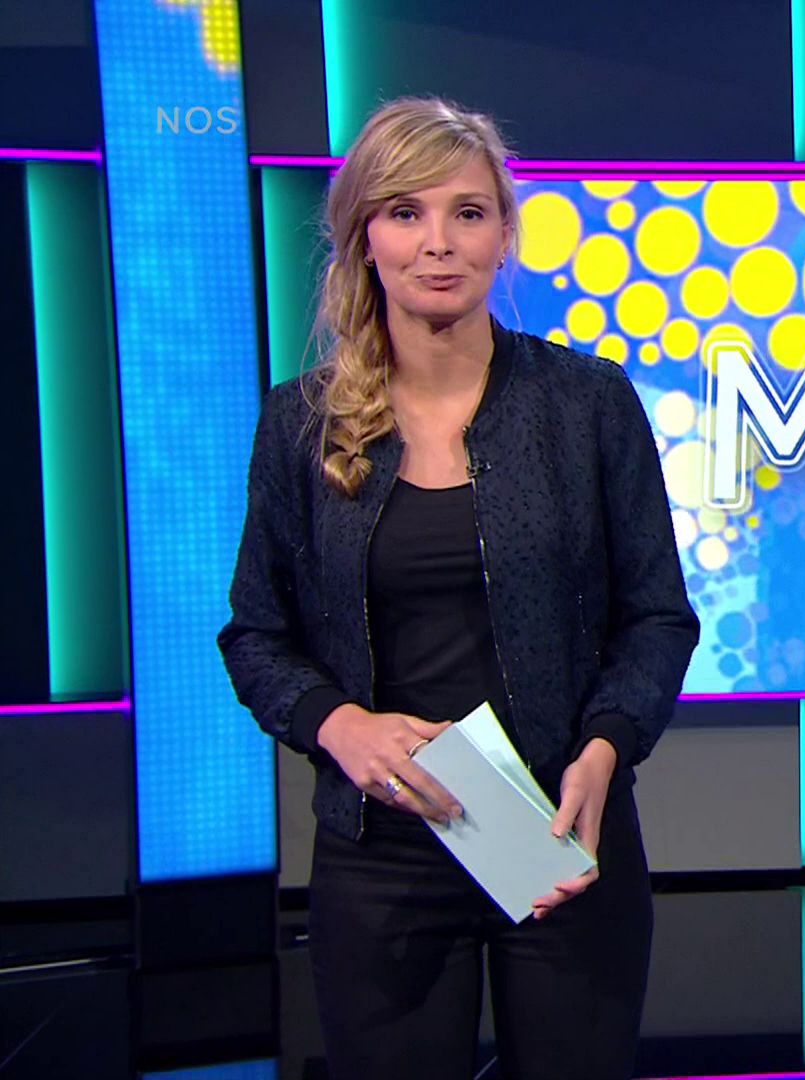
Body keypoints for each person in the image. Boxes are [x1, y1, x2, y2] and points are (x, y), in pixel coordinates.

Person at [217, 96, 699, 1080]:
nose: (438, 242)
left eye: (467, 212)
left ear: (504, 233)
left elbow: (656, 616)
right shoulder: (300, 425)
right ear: (363, 236)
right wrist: (339, 726)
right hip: (381, 855)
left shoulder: (587, 404)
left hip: (559, 835)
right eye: (406, 212)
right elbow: (256, 635)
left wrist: (607, 749)